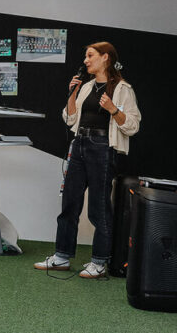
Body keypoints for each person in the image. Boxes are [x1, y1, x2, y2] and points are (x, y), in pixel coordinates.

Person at [34, 42, 141, 278]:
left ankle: (99, 262)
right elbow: (70, 119)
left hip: (103, 148)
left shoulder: (123, 89)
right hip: (79, 144)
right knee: (69, 203)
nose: (85, 60)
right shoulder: (86, 86)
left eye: (90, 55)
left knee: (99, 207)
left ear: (105, 58)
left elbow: (132, 126)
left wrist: (113, 109)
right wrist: (72, 93)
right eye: (85, 56)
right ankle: (61, 257)